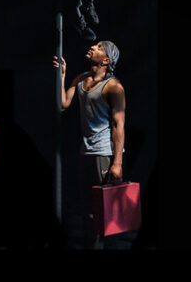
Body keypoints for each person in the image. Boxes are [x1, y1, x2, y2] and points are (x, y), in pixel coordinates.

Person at [53, 41, 125, 247]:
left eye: (100, 47)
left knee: (102, 210)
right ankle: (92, 245)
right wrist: (62, 75)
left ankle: (101, 246)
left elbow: (119, 125)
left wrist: (117, 163)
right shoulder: (82, 79)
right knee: (87, 209)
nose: (94, 46)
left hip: (103, 154)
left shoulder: (114, 87)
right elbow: (63, 105)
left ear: (106, 60)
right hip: (86, 152)